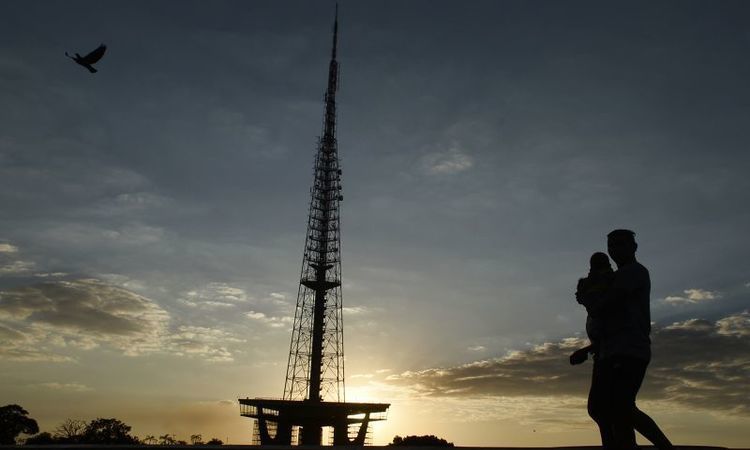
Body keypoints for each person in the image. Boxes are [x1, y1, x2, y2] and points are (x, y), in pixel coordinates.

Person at [575, 230, 673, 450]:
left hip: (629, 350)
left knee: (620, 407)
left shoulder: (634, 273)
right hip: (609, 351)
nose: (615, 249)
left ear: (633, 246)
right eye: (612, 246)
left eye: (620, 244)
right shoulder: (614, 278)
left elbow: (606, 307)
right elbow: (609, 321)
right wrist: (589, 349)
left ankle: (666, 448)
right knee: (601, 409)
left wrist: (587, 300)